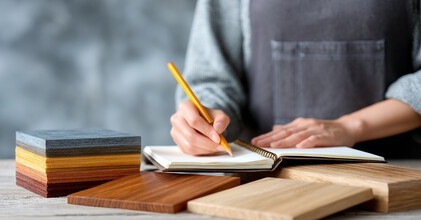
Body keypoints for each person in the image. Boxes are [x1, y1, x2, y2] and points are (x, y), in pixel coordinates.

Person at [170, 0, 421, 158]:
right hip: (264, 183)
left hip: (395, 173)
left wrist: (349, 127)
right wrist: (207, 120)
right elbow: (214, 80)